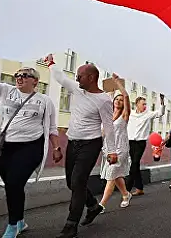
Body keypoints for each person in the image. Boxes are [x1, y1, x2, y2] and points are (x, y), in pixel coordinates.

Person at [0, 49, 62, 237]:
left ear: (35, 82)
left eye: (25, 75)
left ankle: (12, 225)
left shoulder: (45, 101)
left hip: (31, 147)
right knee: (12, 185)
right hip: (6, 147)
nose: (20, 78)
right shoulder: (6, 91)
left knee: (14, 182)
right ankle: (20, 220)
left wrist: (56, 147)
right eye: (18, 75)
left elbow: (53, 128)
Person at [45, 54, 118, 238]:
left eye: (80, 76)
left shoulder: (103, 100)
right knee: (71, 182)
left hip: (90, 144)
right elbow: (61, 77)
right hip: (72, 142)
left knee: (78, 181)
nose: (76, 79)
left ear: (91, 78)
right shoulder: (77, 89)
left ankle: (71, 226)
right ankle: (93, 206)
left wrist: (112, 151)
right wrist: (51, 63)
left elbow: (108, 127)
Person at [99, 74, 132, 210]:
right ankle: (125, 194)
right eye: (116, 99)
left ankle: (101, 205)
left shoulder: (124, 115)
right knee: (115, 175)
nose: (118, 101)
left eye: (120, 100)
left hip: (121, 149)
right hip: (108, 149)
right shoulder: (108, 115)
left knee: (111, 174)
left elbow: (126, 97)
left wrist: (118, 83)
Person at [126, 93, 165, 195]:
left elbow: (160, 113)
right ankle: (140, 188)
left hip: (140, 143)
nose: (145, 106)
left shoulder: (148, 114)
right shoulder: (131, 114)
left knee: (134, 164)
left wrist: (162, 101)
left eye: (145, 104)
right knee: (135, 165)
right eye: (143, 104)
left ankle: (126, 190)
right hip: (130, 142)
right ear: (137, 104)